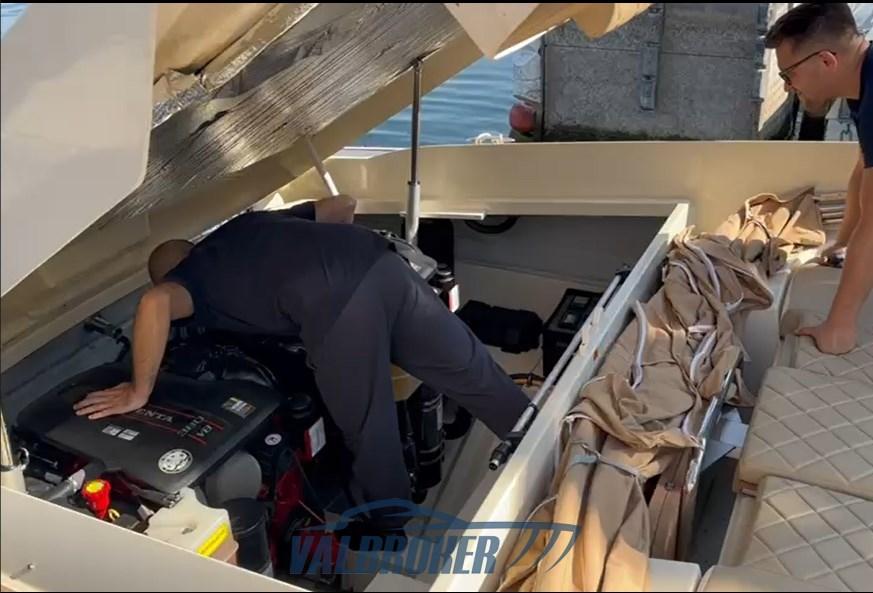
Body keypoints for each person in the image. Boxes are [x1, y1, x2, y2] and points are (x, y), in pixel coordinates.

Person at [73, 195, 529, 531]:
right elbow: (341, 205)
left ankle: (387, 523)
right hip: (378, 263)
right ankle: (536, 434)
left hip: (334, 307)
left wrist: (139, 391)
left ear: (175, 270)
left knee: (368, 423)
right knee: (470, 368)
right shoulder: (246, 225)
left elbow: (154, 304)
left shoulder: (190, 278)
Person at [765, 3, 872, 354]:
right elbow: (863, 171)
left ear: (826, 61)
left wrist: (839, 326)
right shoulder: (864, 82)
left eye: (788, 75)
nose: (788, 87)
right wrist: (842, 244)